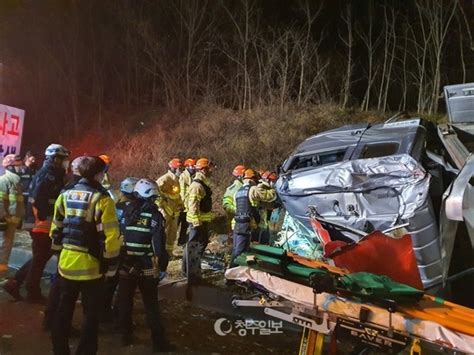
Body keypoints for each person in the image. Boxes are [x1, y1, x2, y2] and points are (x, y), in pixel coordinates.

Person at [50, 156, 121, 355]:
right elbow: (111, 236)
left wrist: (58, 251)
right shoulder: (102, 199)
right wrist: (111, 265)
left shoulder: (65, 194)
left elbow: (56, 228)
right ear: (99, 174)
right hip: (92, 268)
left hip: (66, 263)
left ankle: (59, 350)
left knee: (63, 311)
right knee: (91, 317)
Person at [3, 144, 69, 302]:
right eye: (62, 159)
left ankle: (16, 283)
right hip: (42, 223)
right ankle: (32, 291)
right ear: (55, 159)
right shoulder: (47, 174)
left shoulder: (55, 174)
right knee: (41, 257)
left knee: (41, 256)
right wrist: (43, 218)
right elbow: (37, 199)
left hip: (45, 223)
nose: (65, 162)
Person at [117, 178, 174, 352]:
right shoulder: (155, 215)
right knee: (151, 304)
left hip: (126, 262)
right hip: (145, 264)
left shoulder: (126, 211)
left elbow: (120, 235)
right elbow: (158, 243)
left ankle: (125, 336)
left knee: (125, 301)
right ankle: (158, 342)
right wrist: (162, 266)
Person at [101, 176, 139, 323]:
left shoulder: (117, 206)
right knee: (125, 286)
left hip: (113, 248)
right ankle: (119, 316)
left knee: (110, 283)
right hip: (127, 251)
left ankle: (104, 313)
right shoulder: (136, 208)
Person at [229, 168, 277, 267]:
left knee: (237, 249)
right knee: (242, 251)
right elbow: (271, 196)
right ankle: (233, 275)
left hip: (237, 223)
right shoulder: (253, 189)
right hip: (247, 224)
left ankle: (232, 274)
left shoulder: (238, 191)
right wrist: (267, 185)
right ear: (253, 178)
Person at [182, 158, 213, 283]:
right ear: (204, 169)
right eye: (209, 168)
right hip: (197, 222)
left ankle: (190, 270)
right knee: (193, 246)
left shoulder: (202, 183)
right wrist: (196, 221)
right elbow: (193, 204)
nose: (211, 170)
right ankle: (192, 274)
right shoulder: (197, 185)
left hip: (201, 220)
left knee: (198, 244)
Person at [0, 155, 25, 280]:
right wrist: (1, 220)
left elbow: (17, 204)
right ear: (10, 166)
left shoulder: (16, 181)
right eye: (18, 165)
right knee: (2, 248)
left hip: (11, 222)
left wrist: (18, 219)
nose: (21, 167)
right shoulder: (4, 180)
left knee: (6, 248)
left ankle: (2, 273)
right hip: (5, 222)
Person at [156, 159, 184, 255]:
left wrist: (181, 205)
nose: (181, 170)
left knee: (172, 234)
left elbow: (178, 195)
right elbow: (155, 195)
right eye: (179, 168)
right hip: (165, 211)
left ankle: (169, 253)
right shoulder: (164, 179)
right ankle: (158, 252)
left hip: (175, 212)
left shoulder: (178, 180)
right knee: (160, 232)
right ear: (173, 168)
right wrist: (162, 207)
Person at [222, 165, 246, 233]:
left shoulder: (243, 186)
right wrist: (238, 210)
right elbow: (226, 205)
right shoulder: (234, 188)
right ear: (241, 176)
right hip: (237, 223)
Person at [257, 171, 279, 245]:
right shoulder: (261, 187)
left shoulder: (265, 187)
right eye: (272, 181)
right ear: (267, 180)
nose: (273, 183)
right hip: (261, 217)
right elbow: (267, 199)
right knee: (262, 234)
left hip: (265, 217)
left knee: (266, 233)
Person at [177, 158, 196, 246]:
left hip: (188, 205)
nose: (194, 168)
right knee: (176, 224)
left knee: (185, 226)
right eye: (192, 166)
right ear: (187, 166)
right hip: (182, 206)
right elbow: (182, 191)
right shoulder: (183, 176)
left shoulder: (194, 176)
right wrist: (183, 204)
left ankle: (181, 241)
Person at [19, 151, 37, 225]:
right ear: (27, 157)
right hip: (21, 194)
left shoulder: (34, 170)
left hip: (30, 195)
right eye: (32, 159)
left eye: (35, 160)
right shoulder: (21, 169)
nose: (34, 161)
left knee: (29, 213)